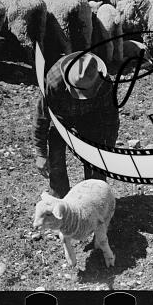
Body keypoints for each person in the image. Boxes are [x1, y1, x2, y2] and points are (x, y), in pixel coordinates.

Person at [32, 51, 119, 198]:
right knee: (56, 155)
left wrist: (108, 150)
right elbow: (42, 116)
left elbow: (111, 119)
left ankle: (94, 198)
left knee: (96, 162)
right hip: (62, 118)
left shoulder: (104, 84)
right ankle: (60, 198)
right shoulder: (54, 81)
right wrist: (40, 153)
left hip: (91, 117)